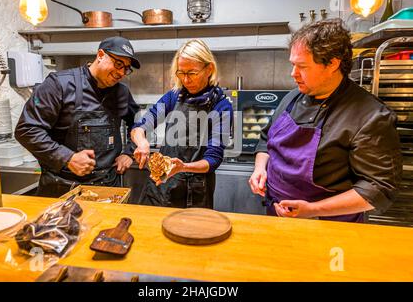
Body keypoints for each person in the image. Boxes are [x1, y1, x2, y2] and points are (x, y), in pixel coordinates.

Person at [248, 19, 402, 222]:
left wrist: (313, 209)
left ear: (332, 63)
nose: (293, 74)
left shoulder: (370, 116)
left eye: (302, 66)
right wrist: (260, 168)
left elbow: (378, 188)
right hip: (277, 217)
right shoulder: (292, 97)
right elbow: (266, 138)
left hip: (329, 227)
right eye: (293, 64)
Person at [15, 36, 140, 197]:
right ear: (101, 55)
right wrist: (67, 158)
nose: (122, 73)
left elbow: (139, 123)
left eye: (126, 68)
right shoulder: (59, 85)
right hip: (63, 188)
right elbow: (26, 130)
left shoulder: (122, 92)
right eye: (118, 64)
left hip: (108, 187)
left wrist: (129, 152)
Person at [131, 39, 233, 208]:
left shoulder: (221, 106)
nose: (186, 80)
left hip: (195, 192)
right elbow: (142, 124)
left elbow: (213, 159)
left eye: (192, 73)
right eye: (181, 73)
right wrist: (142, 142)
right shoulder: (174, 96)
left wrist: (183, 167)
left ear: (209, 69)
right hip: (162, 184)